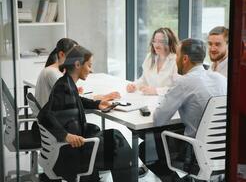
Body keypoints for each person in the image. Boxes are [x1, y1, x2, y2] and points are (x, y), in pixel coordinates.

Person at [38, 45, 135, 182]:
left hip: (73, 148)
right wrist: (66, 136)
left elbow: (77, 100)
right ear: (78, 64)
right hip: (73, 154)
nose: (91, 70)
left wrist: (97, 104)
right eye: (89, 66)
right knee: (120, 147)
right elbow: (44, 116)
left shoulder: (66, 83)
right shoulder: (64, 88)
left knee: (116, 136)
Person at [140, 38, 227, 182]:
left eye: (178, 56)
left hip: (196, 153)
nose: (176, 60)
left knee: (147, 147)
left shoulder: (184, 81)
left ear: (185, 59)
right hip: (224, 150)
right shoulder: (221, 79)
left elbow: (159, 119)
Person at [35, 38, 119, 107]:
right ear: (61, 54)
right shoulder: (52, 73)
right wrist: (103, 97)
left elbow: (70, 98)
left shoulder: (52, 71)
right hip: (53, 123)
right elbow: (75, 101)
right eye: (73, 53)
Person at [127, 27, 179, 95]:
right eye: (154, 41)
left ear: (170, 43)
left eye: (161, 42)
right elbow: (144, 79)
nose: (156, 45)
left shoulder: (176, 60)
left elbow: (177, 89)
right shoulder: (150, 57)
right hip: (150, 100)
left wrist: (156, 91)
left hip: (168, 102)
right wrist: (134, 85)